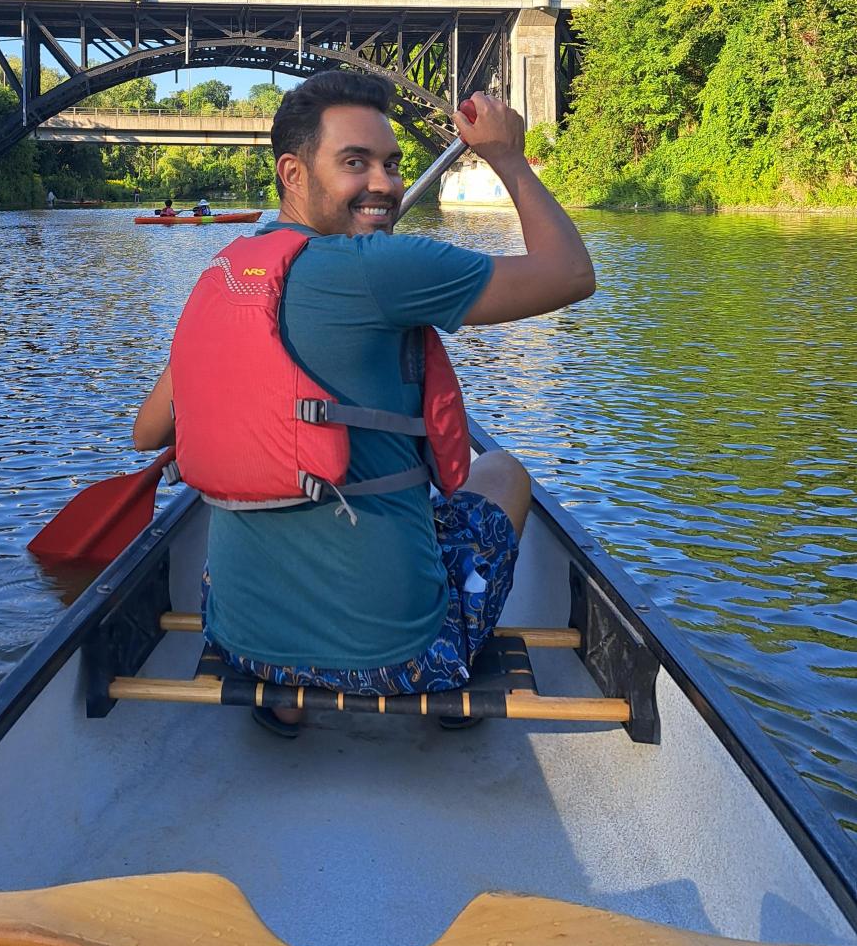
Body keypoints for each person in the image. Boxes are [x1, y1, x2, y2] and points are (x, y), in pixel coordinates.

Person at [133, 71, 595, 734]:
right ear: (293, 172)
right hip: (394, 656)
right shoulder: (383, 266)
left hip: (237, 638)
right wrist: (506, 156)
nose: (383, 182)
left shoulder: (227, 274)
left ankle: (282, 686)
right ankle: (442, 669)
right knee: (503, 472)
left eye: (390, 164)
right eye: (354, 163)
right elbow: (571, 273)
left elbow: (147, 431)